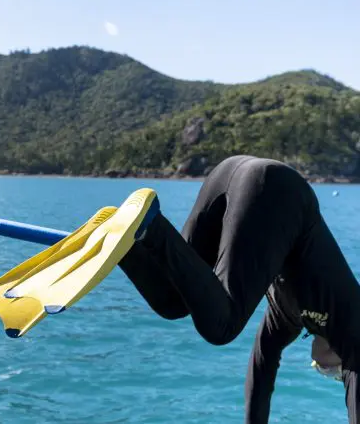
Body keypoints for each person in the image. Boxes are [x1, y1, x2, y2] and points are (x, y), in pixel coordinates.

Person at [114, 154, 360, 423]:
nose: (325, 370)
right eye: (335, 374)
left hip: (233, 173)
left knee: (173, 301)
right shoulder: (351, 327)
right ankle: (152, 227)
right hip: (275, 190)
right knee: (221, 327)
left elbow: (260, 376)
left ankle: (122, 242)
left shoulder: (286, 320)